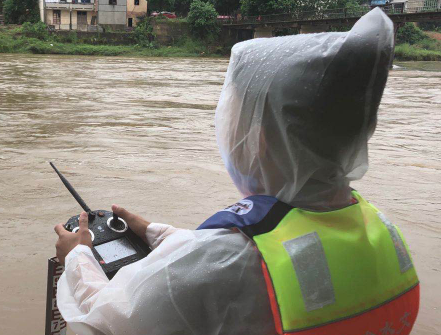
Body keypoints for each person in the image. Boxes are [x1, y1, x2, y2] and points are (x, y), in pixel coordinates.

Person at [53, 8, 419, 335]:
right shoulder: (381, 230)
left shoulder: (223, 263)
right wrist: (157, 234)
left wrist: (78, 257)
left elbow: (106, 321)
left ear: (258, 138)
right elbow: (278, 258)